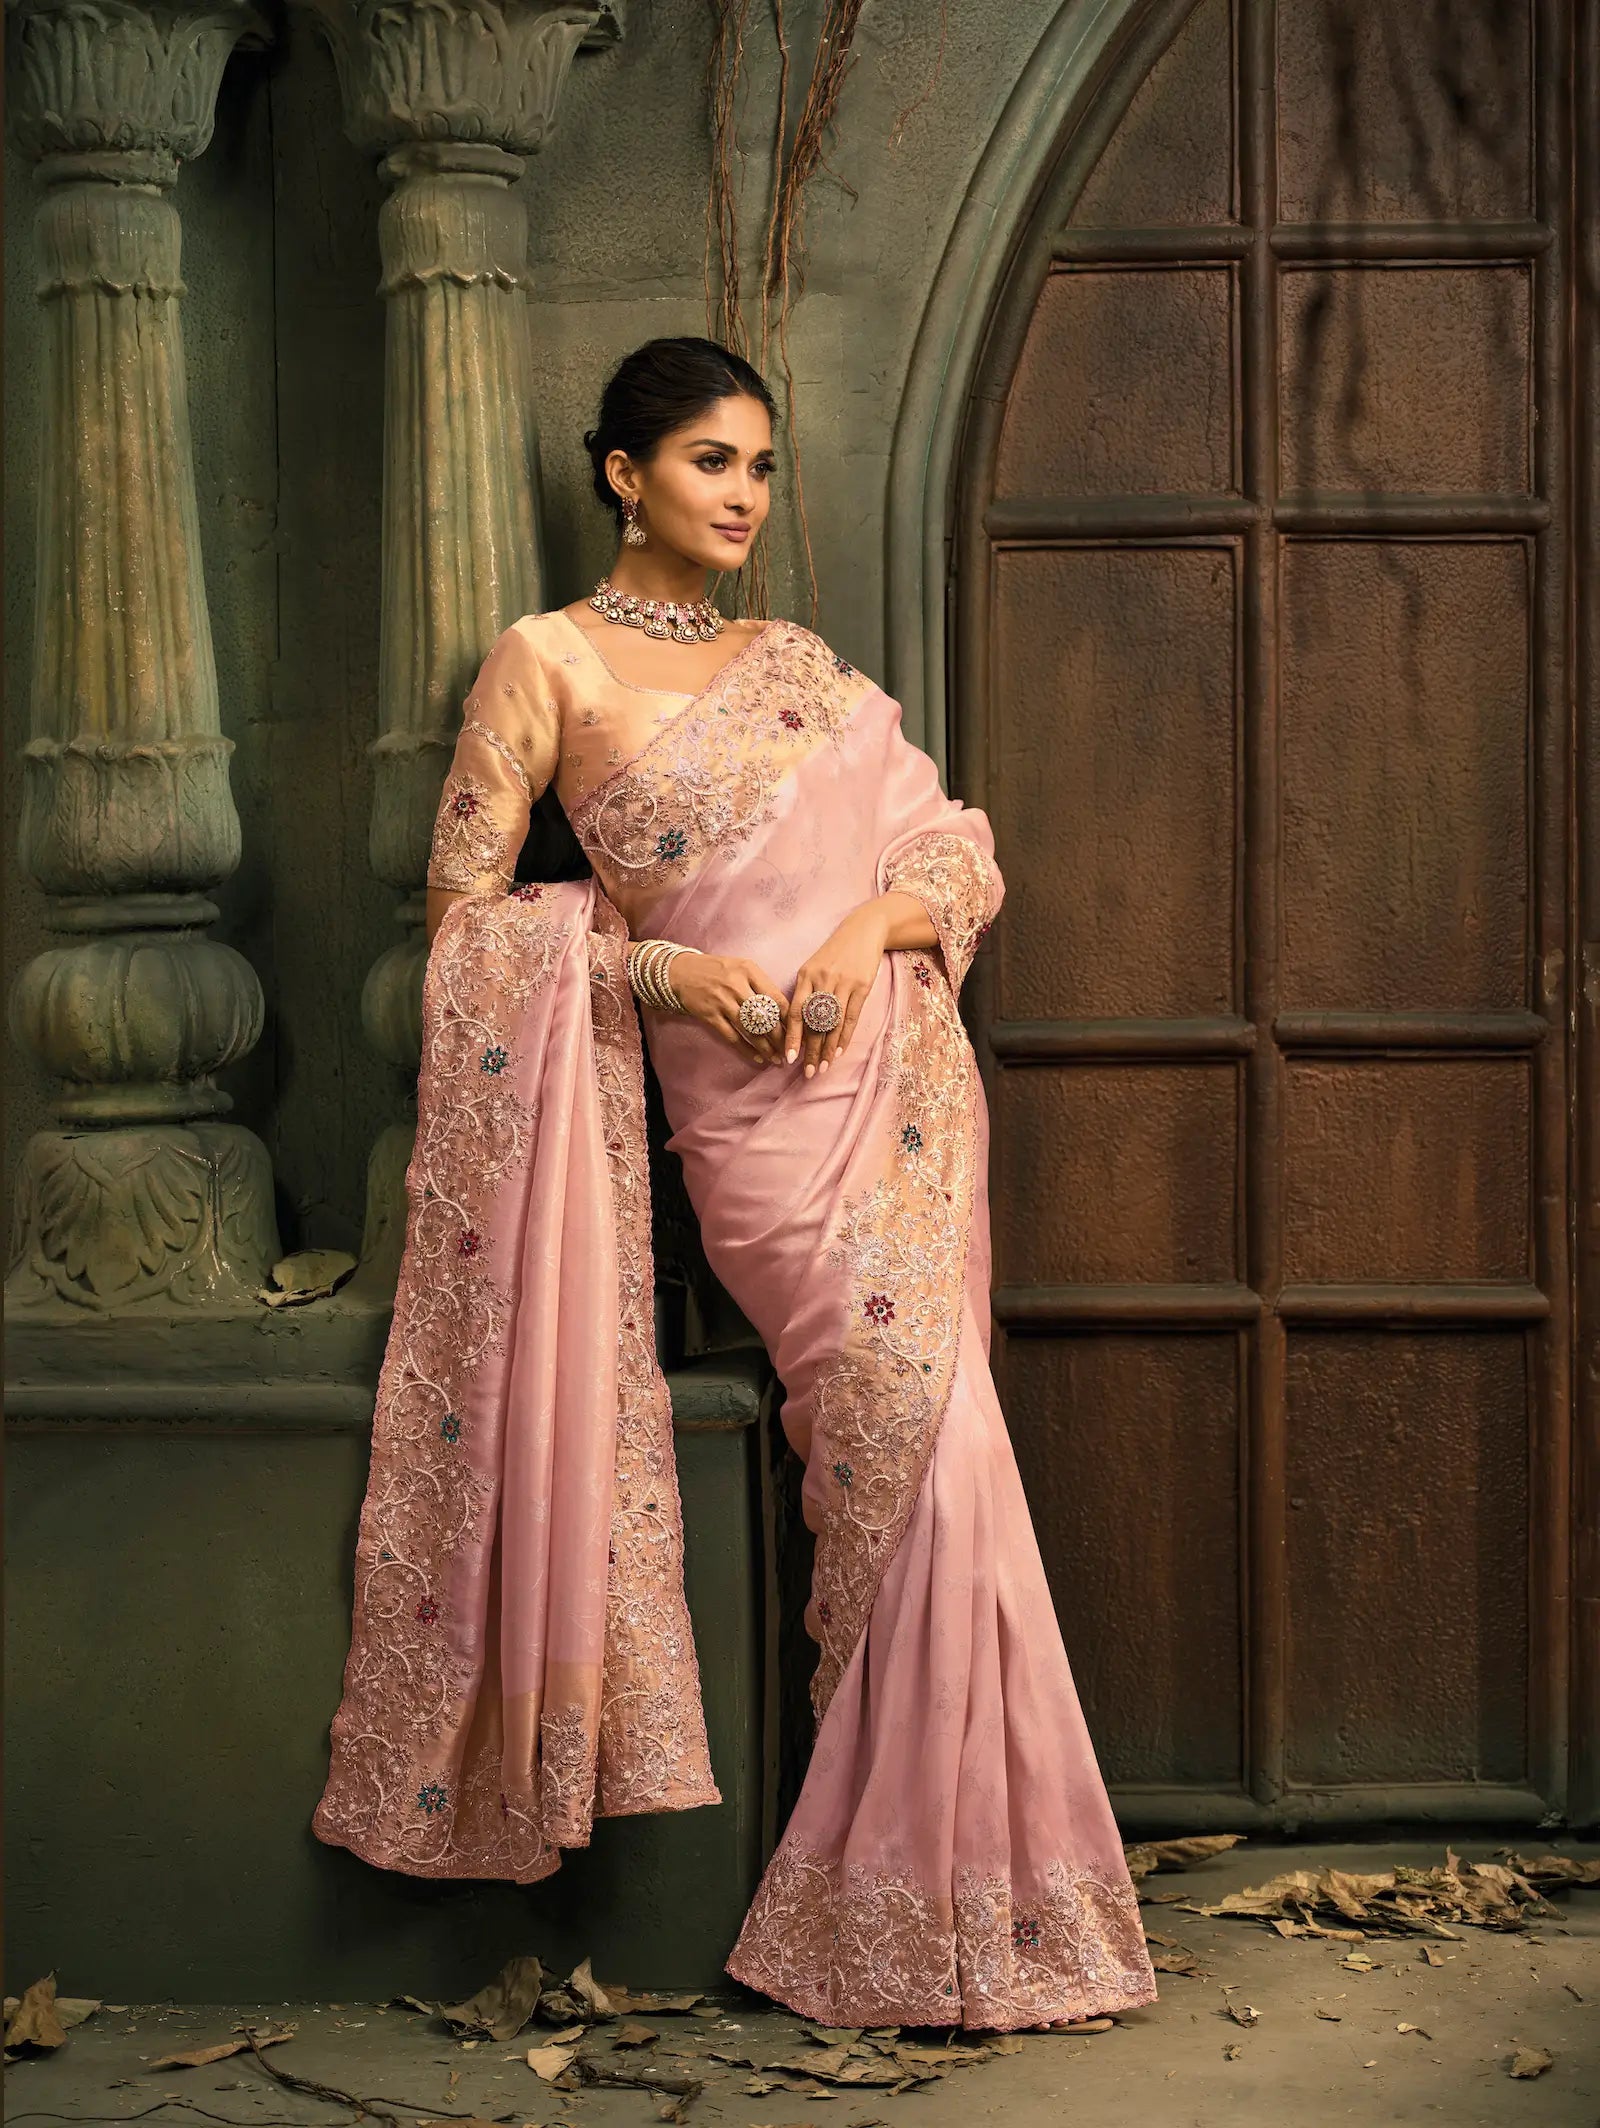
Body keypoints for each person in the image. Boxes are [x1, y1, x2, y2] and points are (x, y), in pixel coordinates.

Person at [313, 336, 1157, 2034]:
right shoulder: (546, 663)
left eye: (762, 466)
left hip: (891, 1094)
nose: (746, 495)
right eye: (712, 461)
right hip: (754, 1135)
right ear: (624, 475)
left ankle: (953, 1896)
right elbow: (465, 930)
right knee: (903, 1450)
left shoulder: (800, 667)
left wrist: (863, 933)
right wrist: (654, 973)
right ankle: (915, 1890)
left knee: (949, 1454)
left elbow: (950, 846)